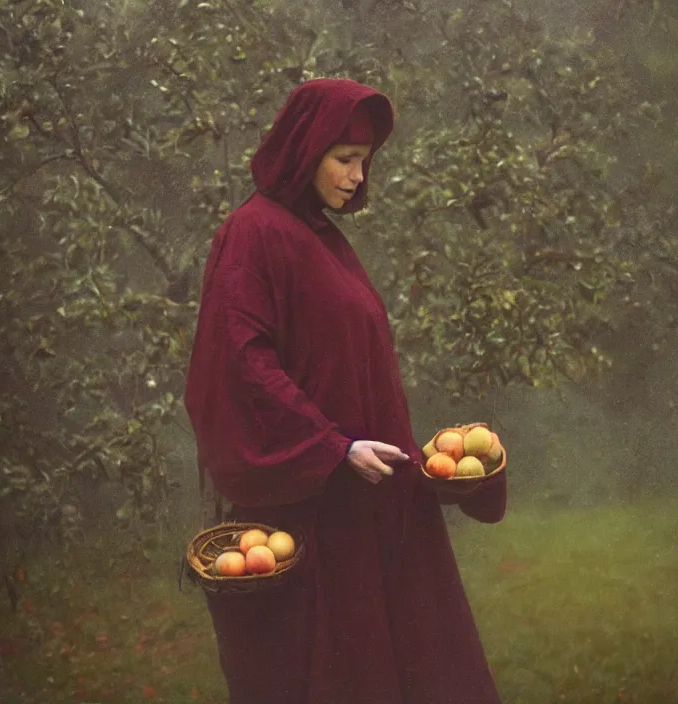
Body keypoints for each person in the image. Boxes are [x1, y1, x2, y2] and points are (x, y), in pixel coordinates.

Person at [184, 77, 506, 704]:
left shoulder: (322, 238)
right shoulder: (253, 233)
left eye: (366, 162)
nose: (359, 177)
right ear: (306, 149)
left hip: (368, 501)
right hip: (317, 502)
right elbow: (241, 365)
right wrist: (333, 448)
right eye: (346, 159)